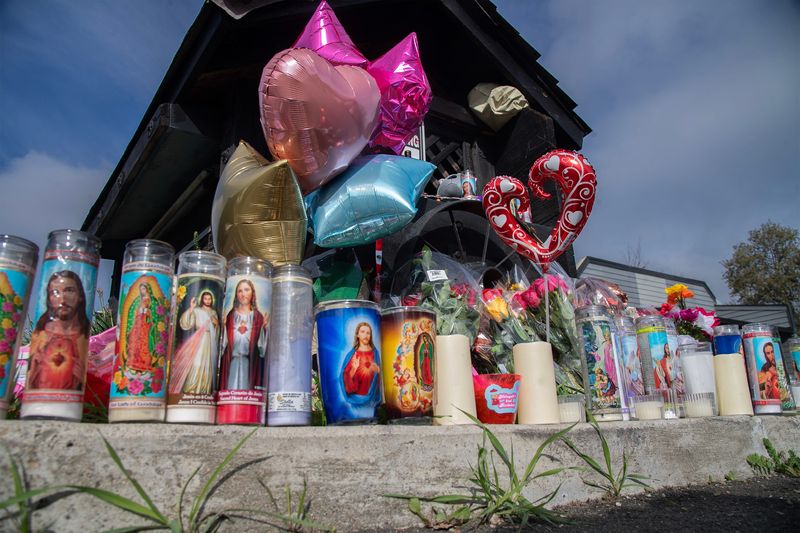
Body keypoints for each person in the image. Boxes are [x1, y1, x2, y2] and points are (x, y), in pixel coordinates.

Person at [27, 271, 91, 391]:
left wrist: (81, 379)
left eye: (69, 290)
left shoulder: (83, 335)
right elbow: (30, 379)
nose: (63, 298)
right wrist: (35, 368)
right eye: (55, 292)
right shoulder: (42, 334)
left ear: (80, 296)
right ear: (49, 299)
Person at [169, 290, 220, 395]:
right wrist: (191, 308)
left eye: (209, 299)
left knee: (207, 364)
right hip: (199, 339)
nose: (207, 301)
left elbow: (217, 330)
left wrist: (216, 324)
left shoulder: (214, 313)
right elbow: (187, 323)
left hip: (209, 340)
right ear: (202, 299)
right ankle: (191, 387)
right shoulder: (197, 310)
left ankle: (204, 389)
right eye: (205, 298)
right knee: (196, 362)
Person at [219, 279, 267, 391]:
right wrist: (222, 327)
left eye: (246, 290)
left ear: (252, 293)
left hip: (249, 364)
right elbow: (223, 344)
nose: (243, 294)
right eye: (240, 291)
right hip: (233, 361)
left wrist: (264, 328)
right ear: (236, 294)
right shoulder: (230, 316)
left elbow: (262, 349)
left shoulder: (258, 317)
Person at [342, 322, 380, 398]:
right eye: (362, 332)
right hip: (357, 398)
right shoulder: (353, 355)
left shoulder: (375, 353)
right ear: (357, 335)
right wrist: (354, 369)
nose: (365, 335)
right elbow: (346, 380)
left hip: (373, 400)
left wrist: (378, 370)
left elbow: (381, 378)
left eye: (368, 333)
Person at [126, 283, 154, 372]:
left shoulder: (149, 299)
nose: (142, 291)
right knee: (134, 338)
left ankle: (144, 362)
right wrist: (139, 311)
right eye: (141, 289)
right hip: (138, 321)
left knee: (143, 340)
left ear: (146, 289)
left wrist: (146, 312)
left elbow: (151, 312)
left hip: (144, 322)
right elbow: (136, 311)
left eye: (144, 289)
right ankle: (134, 360)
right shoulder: (140, 299)